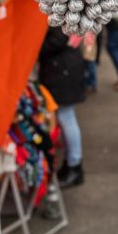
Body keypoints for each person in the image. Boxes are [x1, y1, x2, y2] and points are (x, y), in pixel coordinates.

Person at [38, 27, 87, 188]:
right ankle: (72, 162)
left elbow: (58, 40)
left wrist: (36, 47)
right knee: (66, 117)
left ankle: (74, 165)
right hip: (64, 67)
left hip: (62, 68)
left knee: (66, 117)